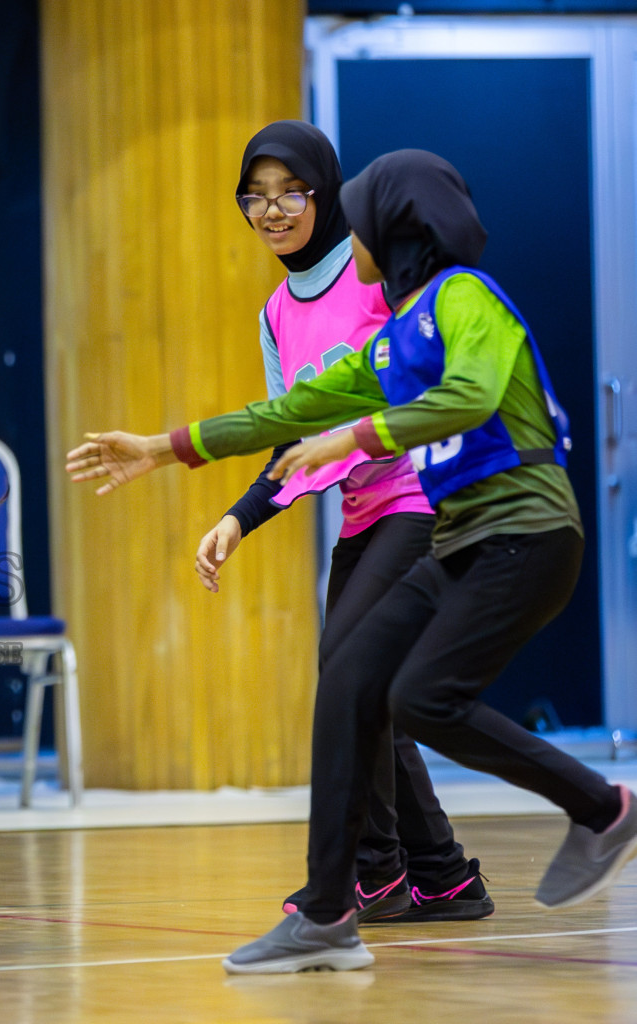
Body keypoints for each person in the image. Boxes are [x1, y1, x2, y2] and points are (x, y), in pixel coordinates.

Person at [66, 149, 637, 974]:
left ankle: (602, 808)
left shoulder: (464, 296)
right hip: (462, 539)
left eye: (358, 224)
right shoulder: (398, 336)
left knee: (423, 699)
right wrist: (164, 447)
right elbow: (290, 411)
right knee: (348, 679)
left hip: (528, 532)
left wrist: (354, 437)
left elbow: (472, 395)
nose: (348, 240)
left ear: (397, 232)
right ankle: (327, 914)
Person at [203, 121, 490, 924]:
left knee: (352, 673)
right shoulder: (273, 312)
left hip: (422, 500)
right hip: (362, 516)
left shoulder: (371, 274)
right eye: (254, 197)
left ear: (323, 194)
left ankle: (375, 870)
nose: (271, 211)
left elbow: (435, 383)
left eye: (289, 193)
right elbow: (290, 437)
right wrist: (237, 519)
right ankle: (442, 876)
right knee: (370, 687)